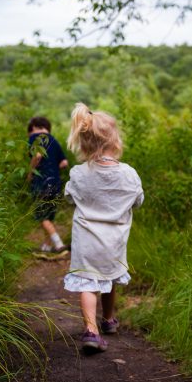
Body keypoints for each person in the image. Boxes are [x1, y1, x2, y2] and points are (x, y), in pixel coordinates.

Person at [63, 103, 144, 352]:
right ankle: (108, 320)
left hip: (86, 242)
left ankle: (91, 331)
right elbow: (138, 200)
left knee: (88, 283)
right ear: (115, 141)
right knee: (110, 278)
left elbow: (69, 197)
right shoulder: (129, 174)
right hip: (114, 242)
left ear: (85, 143)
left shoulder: (79, 173)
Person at [27, 116, 69, 254]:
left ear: (33, 127)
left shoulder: (35, 138)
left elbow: (37, 156)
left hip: (41, 182)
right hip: (55, 182)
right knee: (49, 216)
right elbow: (64, 163)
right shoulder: (54, 141)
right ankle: (46, 245)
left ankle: (58, 244)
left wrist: (30, 172)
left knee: (41, 215)